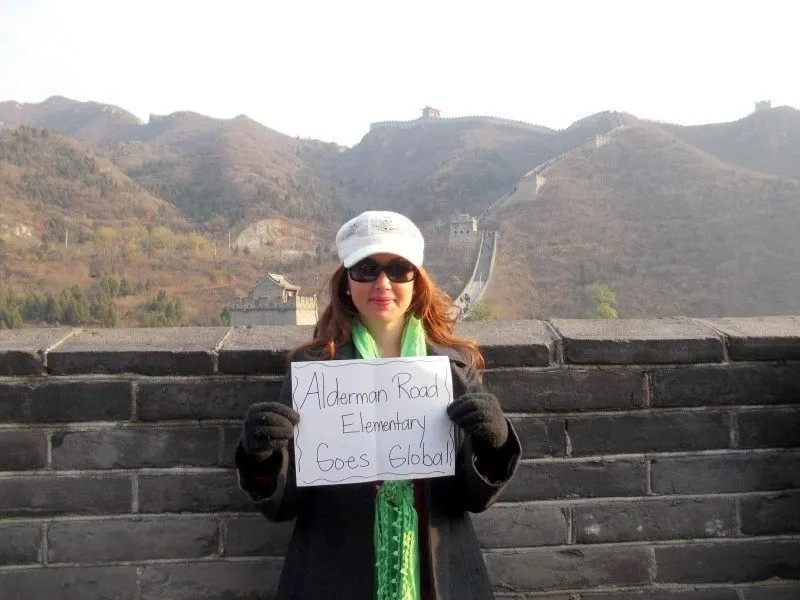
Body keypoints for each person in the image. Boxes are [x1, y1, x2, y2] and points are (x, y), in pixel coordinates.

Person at [235, 210, 521, 600]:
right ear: (346, 282)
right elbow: (283, 505)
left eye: (399, 269)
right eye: (366, 269)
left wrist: (494, 443)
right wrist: (262, 456)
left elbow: (474, 498)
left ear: (416, 282)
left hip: (437, 573)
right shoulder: (315, 372)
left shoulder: (453, 368)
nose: (382, 282)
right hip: (334, 572)